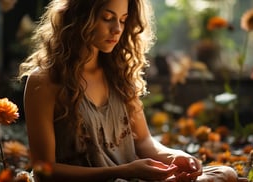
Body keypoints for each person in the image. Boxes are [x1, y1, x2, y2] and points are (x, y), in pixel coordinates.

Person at [17, 0, 239, 181]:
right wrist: (123, 171)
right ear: (79, 16)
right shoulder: (44, 81)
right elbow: (44, 171)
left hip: (132, 177)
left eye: (123, 20)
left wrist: (176, 156)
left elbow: (143, 141)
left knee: (225, 173)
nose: (117, 29)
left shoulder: (119, 73)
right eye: (107, 18)